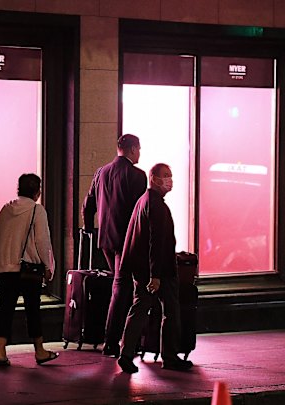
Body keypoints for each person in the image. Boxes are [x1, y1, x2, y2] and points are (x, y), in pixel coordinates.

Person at [117, 163, 193, 373]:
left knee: (139, 309)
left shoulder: (143, 201)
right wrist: (156, 274)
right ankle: (169, 356)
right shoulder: (156, 205)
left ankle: (126, 353)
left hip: (142, 269)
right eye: (165, 176)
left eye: (170, 175)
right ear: (154, 178)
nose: (169, 180)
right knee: (170, 311)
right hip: (159, 270)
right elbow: (156, 242)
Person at [82, 134, 147, 357]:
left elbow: (87, 205)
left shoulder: (102, 172)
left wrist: (90, 230)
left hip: (105, 240)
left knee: (122, 286)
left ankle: (124, 339)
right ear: (132, 149)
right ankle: (112, 341)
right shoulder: (137, 176)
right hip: (126, 240)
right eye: (139, 149)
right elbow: (139, 213)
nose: (140, 153)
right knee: (121, 288)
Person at [0, 173, 59, 366]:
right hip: (28, 269)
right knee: (33, 310)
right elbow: (42, 241)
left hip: (3, 267)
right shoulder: (37, 211)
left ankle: (1, 352)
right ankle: (39, 350)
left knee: (5, 310)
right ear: (37, 191)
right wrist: (48, 266)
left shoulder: (5, 209)